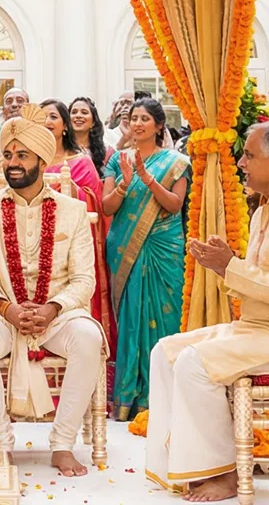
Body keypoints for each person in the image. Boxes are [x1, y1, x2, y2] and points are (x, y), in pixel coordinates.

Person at [142, 122, 269, 501]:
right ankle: (180, 464)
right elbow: (262, 279)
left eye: (249, 155)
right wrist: (224, 265)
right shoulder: (265, 209)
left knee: (194, 362)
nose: (242, 163)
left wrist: (230, 265)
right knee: (165, 351)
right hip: (254, 327)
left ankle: (222, 472)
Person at [0, 106, 103, 475]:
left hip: (56, 314)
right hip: (0, 314)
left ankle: (62, 443)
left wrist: (53, 308)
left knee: (88, 338)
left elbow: (84, 280)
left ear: (42, 159)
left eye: (22, 155)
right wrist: (5, 307)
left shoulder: (72, 211)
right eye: (8, 155)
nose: (13, 163)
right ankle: (2, 441)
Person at [100, 96, 190, 420]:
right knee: (131, 321)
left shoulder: (176, 163)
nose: (137, 123)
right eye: (133, 118)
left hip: (164, 247)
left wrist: (146, 176)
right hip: (126, 247)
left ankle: (163, 399)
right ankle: (127, 400)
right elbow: (107, 207)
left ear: (159, 126)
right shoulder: (116, 160)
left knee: (166, 318)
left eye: (144, 119)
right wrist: (125, 181)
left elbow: (174, 205)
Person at [49, 98, 114, 346]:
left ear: (64, 125)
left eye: (53, 116)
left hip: (74, 241)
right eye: (43, 117)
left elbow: (94, 202)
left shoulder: (81, 162)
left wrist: (67, 192)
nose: (47, 122)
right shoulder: (30, 161)